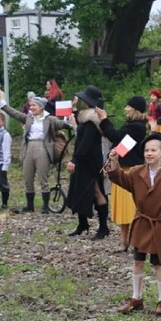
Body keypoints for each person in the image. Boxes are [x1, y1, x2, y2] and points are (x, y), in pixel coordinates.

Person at [106, 132, 161, 317]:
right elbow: (119, 177)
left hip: (157, 225)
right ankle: (136, 297)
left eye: (153, 150)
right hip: (141, 222)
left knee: (158, 263)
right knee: (137, 260)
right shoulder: (136, 172)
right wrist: (114, 161)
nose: (149, 153)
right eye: (146, 150)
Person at [96, 96, 148, 250]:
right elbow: (124, 145)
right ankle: (123, 239)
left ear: (135, 109)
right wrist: (113, 155)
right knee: (122, 208)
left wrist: (104, 119)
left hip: (131, 171)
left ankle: (134, 239)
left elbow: (115, 135)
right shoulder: (132, 125)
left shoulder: (137, 126)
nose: (125, 109)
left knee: (130, 207)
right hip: (122, 169)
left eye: (128, 106)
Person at [0, 94, 68, 213]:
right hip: (28, 147)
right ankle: (29, 205)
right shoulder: (28, 118)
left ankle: (45, 206)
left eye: (34, 105)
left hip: (43, 147)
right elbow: (14, 113)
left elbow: (61, 124)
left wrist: (70, 122)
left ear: (41, 107)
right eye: (30, 105)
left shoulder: (49, 119)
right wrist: (2, 103)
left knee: (43, 177)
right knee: (28, 177)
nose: (31, 107)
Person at [66, 86, 110, 238]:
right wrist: (73, 109)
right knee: (79, 189)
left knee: (97, 191)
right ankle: (82, 223)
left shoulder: (92, 120)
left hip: (90, 160)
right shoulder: (86, 116)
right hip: (84, 159)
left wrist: (75, 160)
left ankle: (104, 227)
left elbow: (86, 142)